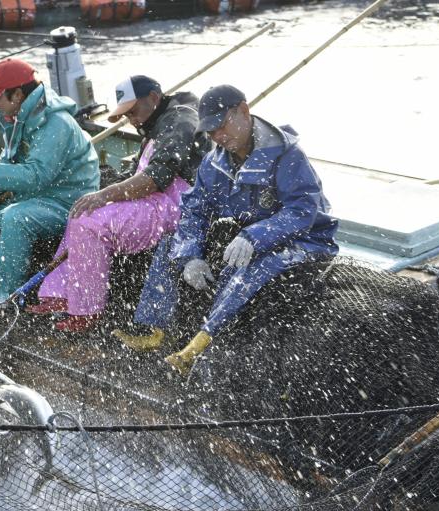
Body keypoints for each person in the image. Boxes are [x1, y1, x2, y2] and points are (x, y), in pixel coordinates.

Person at [113, 84, 337, 374]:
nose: (218, 136)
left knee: (254, 266)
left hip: (305, 240)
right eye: (211, 132)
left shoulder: (288, 155)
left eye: (222, 126)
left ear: (243, 110)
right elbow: (194, 211)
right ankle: (155, 330)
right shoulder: (213, 162)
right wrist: (190, 256)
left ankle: (199, 347)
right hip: (243, 234)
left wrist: (254, 237)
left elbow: (301, 211)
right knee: (171, 244)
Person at [30, 76, 210, 332]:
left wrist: (105, 194)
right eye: (127, 115)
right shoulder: (157, 121)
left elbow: (156, 178)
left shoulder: (180, 120)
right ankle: (61, 293)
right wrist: (101, 197)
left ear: (154, 98)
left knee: (90, 224)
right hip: (156, 199)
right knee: (82, 211)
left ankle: (87, 310)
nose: (132, 120)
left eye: (133, 111)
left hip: (180, 204)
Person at [0, 58, 100, 306]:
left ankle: (2, 295)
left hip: (67, 202)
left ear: (17, 95)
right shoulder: (18, 117)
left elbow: (36, 175)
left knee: (16, 217)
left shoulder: (56, 124)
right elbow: (10, 160)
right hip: (37, 195)